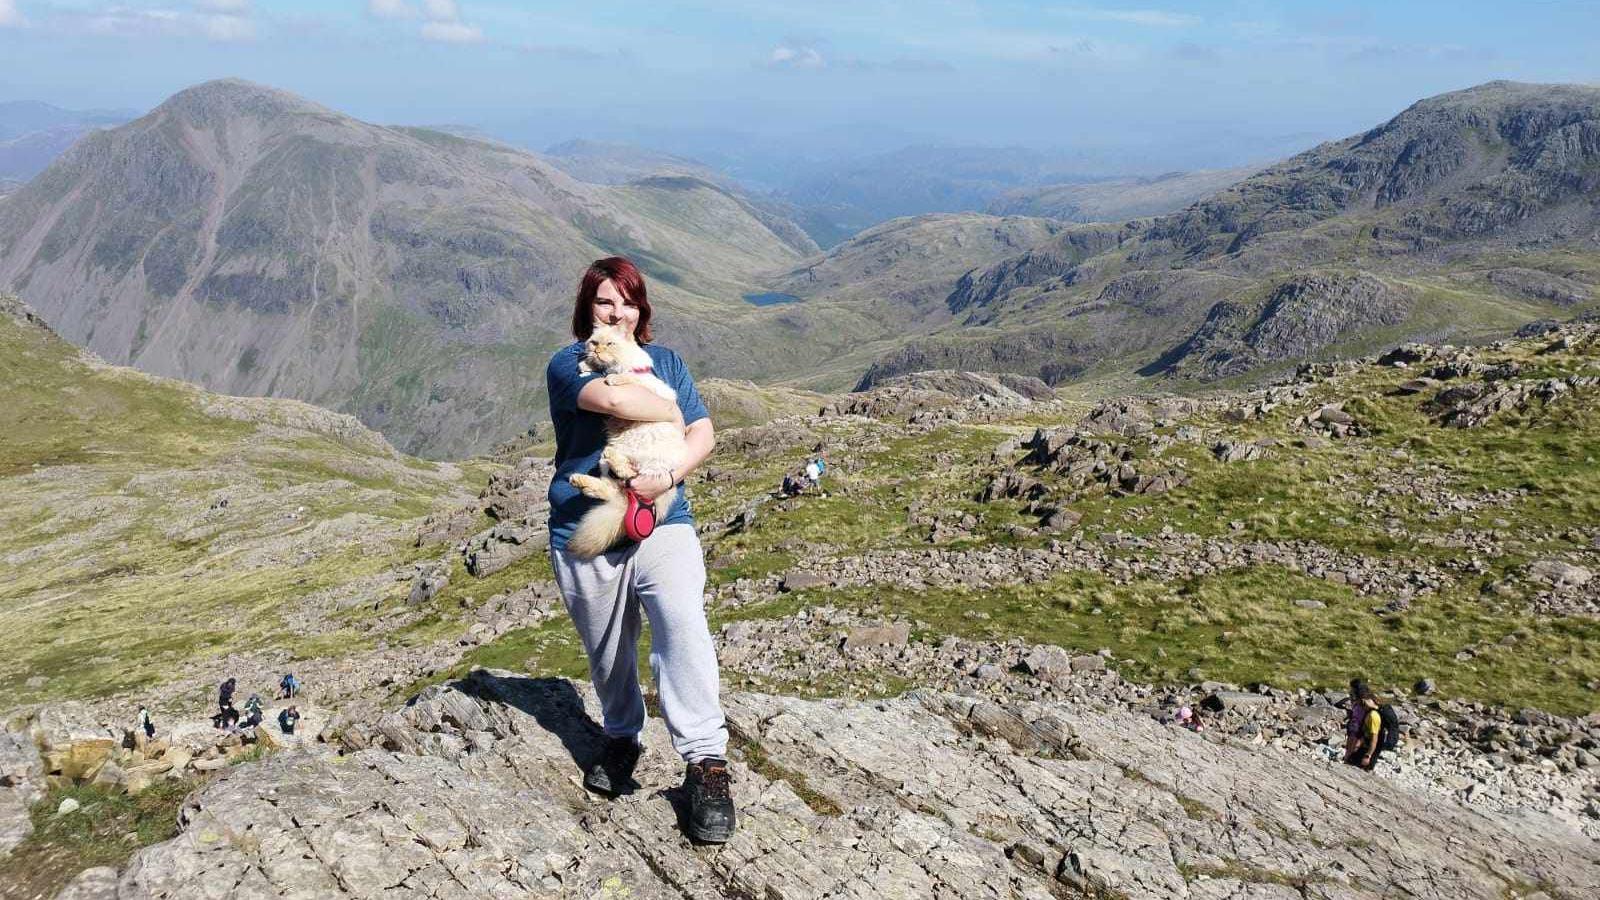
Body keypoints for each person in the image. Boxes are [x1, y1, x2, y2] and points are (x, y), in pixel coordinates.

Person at [544, 257, 735, 843]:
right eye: (606, 302)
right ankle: (623, 735)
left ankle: (706, 762)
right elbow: (624, 405)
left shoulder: (670, 362)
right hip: (587, 521)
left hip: (660, 516)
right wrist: (671, 409)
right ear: (589, 310)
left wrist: (670, 470)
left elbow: (702, 433)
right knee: (608, 653)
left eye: (627, 301)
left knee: (682, 623)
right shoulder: (568, 364)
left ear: (641, 307)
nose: (617, 312)